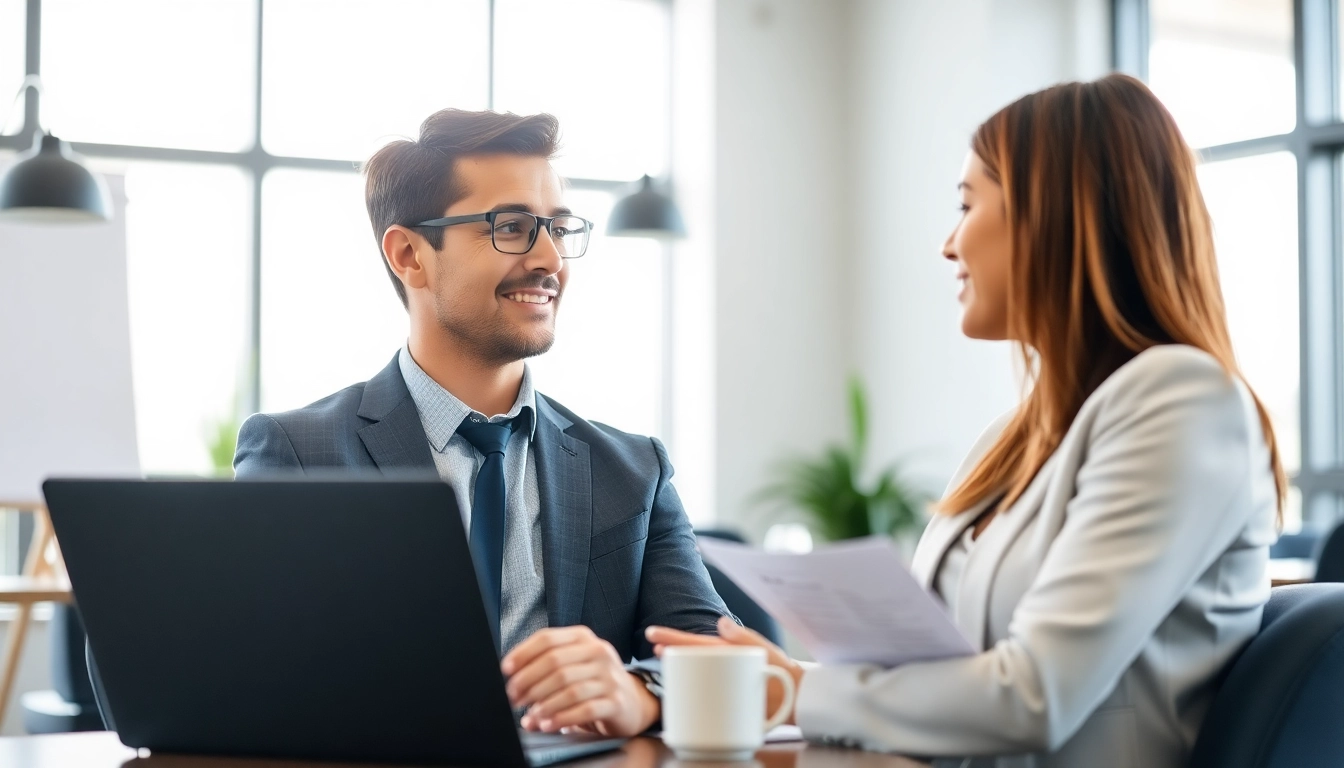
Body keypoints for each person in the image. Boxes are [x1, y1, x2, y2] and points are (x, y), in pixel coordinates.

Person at [648, 73, 1284, 768]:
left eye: (967, 204)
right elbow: (940, 677)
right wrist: (782, 679)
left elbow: (1033, 696)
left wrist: (800, 691)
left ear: (1053, 215)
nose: (948, 245)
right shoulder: (1009, 440)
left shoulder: (1184, 399)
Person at [234, 108, 729, 738]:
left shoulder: (632, 471)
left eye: (557, 228)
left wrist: (641, 693)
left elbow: (720, 657)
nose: (549, 258)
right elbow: (244, 675)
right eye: (512, 227)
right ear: (410, 254)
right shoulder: (300, 454)